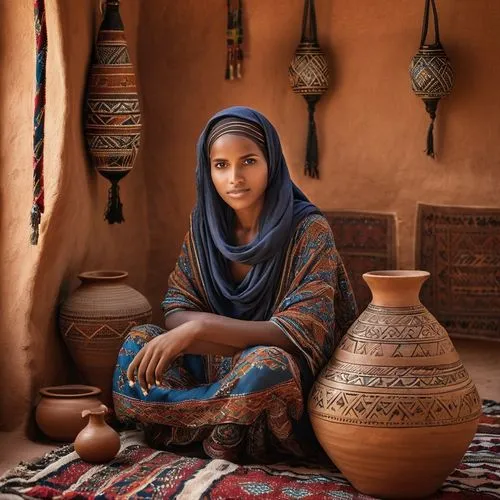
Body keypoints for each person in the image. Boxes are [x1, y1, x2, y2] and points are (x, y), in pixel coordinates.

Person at [112, 106, 357, 463]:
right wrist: (192, 333)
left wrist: (201, 327)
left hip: (267, 369)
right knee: (139, 343)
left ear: (271, 162)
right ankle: (224, 425)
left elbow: (301, 331)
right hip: (211, 364)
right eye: (221, 165)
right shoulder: (203, 227)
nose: (235, 178)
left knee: (268, 367)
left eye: (249, 161)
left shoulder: (308, 230)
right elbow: (177, 307)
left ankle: (177, 423)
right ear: (207, 169)